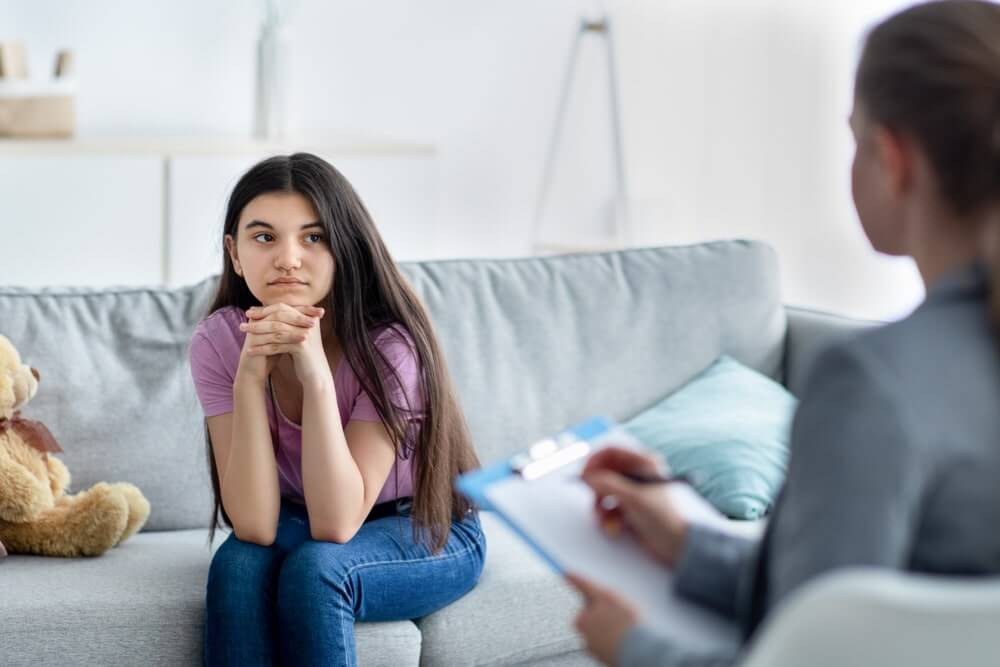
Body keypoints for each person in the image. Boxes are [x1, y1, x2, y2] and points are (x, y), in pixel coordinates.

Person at [566, 1, 1000, 664]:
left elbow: (814, 656)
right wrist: (688, 543)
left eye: (855, 138)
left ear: (893, 160)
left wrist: (633, 645)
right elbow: (873, 611)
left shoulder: (872, 384)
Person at [189, 153, 485, 666]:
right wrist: (250, 376)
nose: (288, 258)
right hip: (297, 519)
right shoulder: (220, 340)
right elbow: (257, 525)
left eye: (313, 237)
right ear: (234, 254)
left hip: (424, 525)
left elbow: (336, 525)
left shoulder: (391, 347)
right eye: (264, 238)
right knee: (236, 565)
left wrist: (317, 379)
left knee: (318, 569)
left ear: (343, 248)